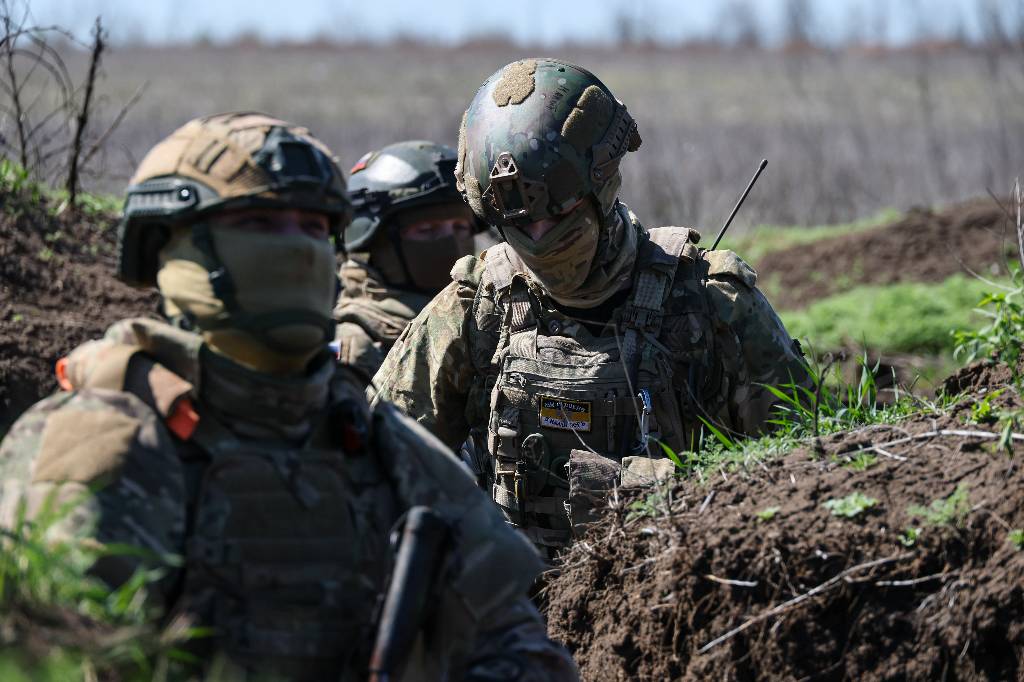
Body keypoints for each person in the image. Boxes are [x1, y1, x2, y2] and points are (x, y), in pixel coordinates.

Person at [0, 113, 578, 681]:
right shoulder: (104, 444)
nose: (298, 249)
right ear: (172, 248)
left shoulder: (381, 447)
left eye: (312, 227)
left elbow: (520, 645)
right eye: (260, 224)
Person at [373, 59, 810, 558]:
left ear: (599, 189)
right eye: (521, 225)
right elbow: (375, 457)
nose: (540, 239)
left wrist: (662, 490)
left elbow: (801, 474)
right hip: (517, 595)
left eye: (558, 215)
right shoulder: (477, 305)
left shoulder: (712, 304)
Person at [333, 140, 482, 378]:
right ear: (377, 242)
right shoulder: (357, 349)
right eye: (428, 230)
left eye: (460, 227)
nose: (451, 243)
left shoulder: (488, 326)